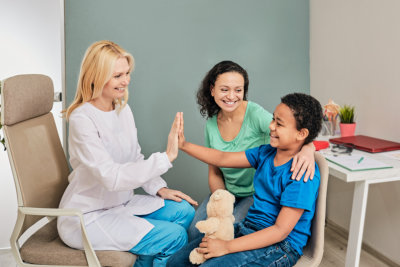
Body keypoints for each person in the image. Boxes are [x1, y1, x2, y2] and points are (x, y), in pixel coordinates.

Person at [57, 40, 197, 267]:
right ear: (96, 76)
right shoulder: (82, 119)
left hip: (121, 203)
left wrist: (159, 188)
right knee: (175, 237)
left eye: (127, 73)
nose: (126, 81)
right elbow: (111, 177)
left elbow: (134, 159)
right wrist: (167, 157)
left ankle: (145, 261)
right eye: (117, 76)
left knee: (183, 212)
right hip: (88, 217)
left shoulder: (122, 108)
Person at [167, 92, 323, 267]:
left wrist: (226, 246)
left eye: (279, 123)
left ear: (301, 134)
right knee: (177, 262)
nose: (271, 126)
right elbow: (222, 158)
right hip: (248, 229)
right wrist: (183, 145)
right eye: (273, 119)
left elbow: (280, 231)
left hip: (280, 246)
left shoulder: (302, 174)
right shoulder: (265, 153)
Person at [188, 61, 316, 241]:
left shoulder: (255, 114)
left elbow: (291, 133)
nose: (231, 96)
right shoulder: (211, 125)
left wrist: (308, 148)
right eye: (224, 89)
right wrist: (223, 202)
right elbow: (215, 169)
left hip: (255, 194)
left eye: (238, 90)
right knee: (195, 232)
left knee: (227, 233)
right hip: (227, 191)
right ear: (212, 90)